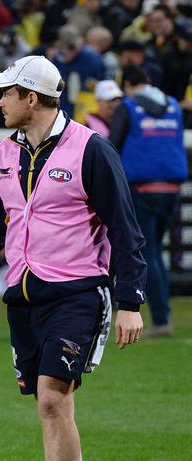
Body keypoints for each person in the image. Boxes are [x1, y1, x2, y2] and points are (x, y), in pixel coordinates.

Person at [0, 55, 147, 461]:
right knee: (50, 402)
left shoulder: (92, 149)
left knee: (53, 400)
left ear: (31, 98)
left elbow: (125, 229)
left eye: (6, 94)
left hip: (77, 295)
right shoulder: (4, 152)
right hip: (23, 300)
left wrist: (130, 302)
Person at [109, 65, 188, 337]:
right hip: (172, 189)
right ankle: (162, 313)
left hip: (140, 189)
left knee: (147, 253)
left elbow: (111, 146)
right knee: (156, 253)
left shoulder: (128, 107)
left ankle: (161, 320)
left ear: (128, 85)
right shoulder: (174, 107)